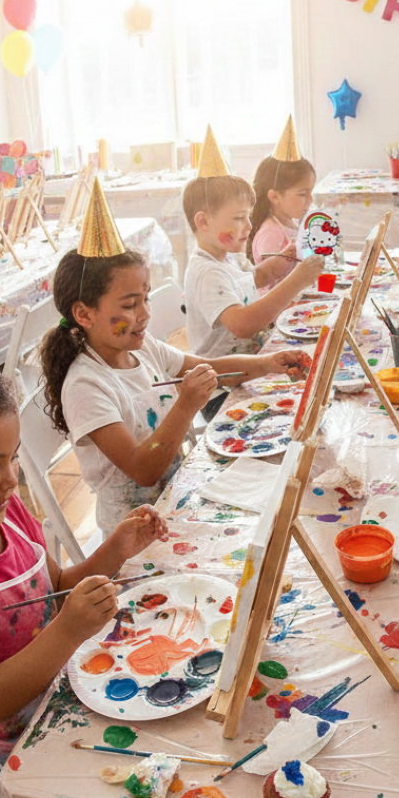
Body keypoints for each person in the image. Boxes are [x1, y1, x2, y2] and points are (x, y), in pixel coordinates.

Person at [0, 355, 171, 781]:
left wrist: (115, 551)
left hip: (69, 684)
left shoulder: (6, 510)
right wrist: (71, 629)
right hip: (17, 739)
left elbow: (56, 587)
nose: (9, 480)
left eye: (13, 459)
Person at [39, 248, 311, 534]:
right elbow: (143, 469)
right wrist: (186, 405)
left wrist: (268, 363)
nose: (145, 313)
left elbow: (211, 367)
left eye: (146, 298)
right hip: (134, 536)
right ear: (84, 314)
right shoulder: (85, 386)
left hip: (177, 497)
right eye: (130, 305)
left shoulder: (144, 349)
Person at [182, 172, 322, 359]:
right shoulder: (207, 272)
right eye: (240, 218)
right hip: (223, 380)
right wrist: (297, 280)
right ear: (203, 221)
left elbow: (253, 279)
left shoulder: (230, 258)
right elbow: (243, 325)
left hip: (252, 361)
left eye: (248, 216)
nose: (249, 225)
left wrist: (278, 263)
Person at [248, 156, 317, 290]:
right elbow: (269, 287)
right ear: (274, 197)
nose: (310, 199)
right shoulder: (271, 234)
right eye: (303, 194)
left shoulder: (291, 222)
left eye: (311, 192)